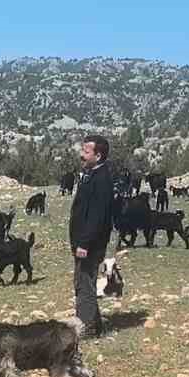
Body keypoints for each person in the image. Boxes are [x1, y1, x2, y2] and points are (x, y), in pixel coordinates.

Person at [68, 135, 114, 339]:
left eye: (86, 152)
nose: (81, 155)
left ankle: (85, 329)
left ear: (98, 155)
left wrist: (84, 243)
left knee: (84, 282)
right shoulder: (92, 173)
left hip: (90, 243)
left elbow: (97, 215)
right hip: (84, 241)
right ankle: (94, 324)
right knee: (83, 281)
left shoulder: (102, 179)